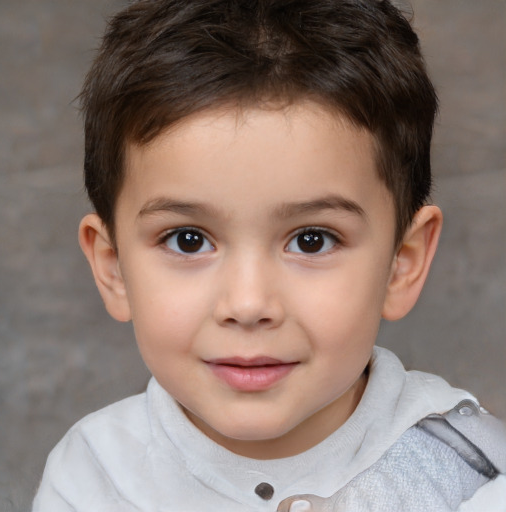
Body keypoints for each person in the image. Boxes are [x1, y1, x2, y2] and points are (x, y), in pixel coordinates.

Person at [32, 0, 506, 510]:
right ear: (114, 268)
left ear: (402, 262)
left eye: (312, 240)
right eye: (188, 240)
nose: (249, 302)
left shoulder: (468, 472)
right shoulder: (92, 480)